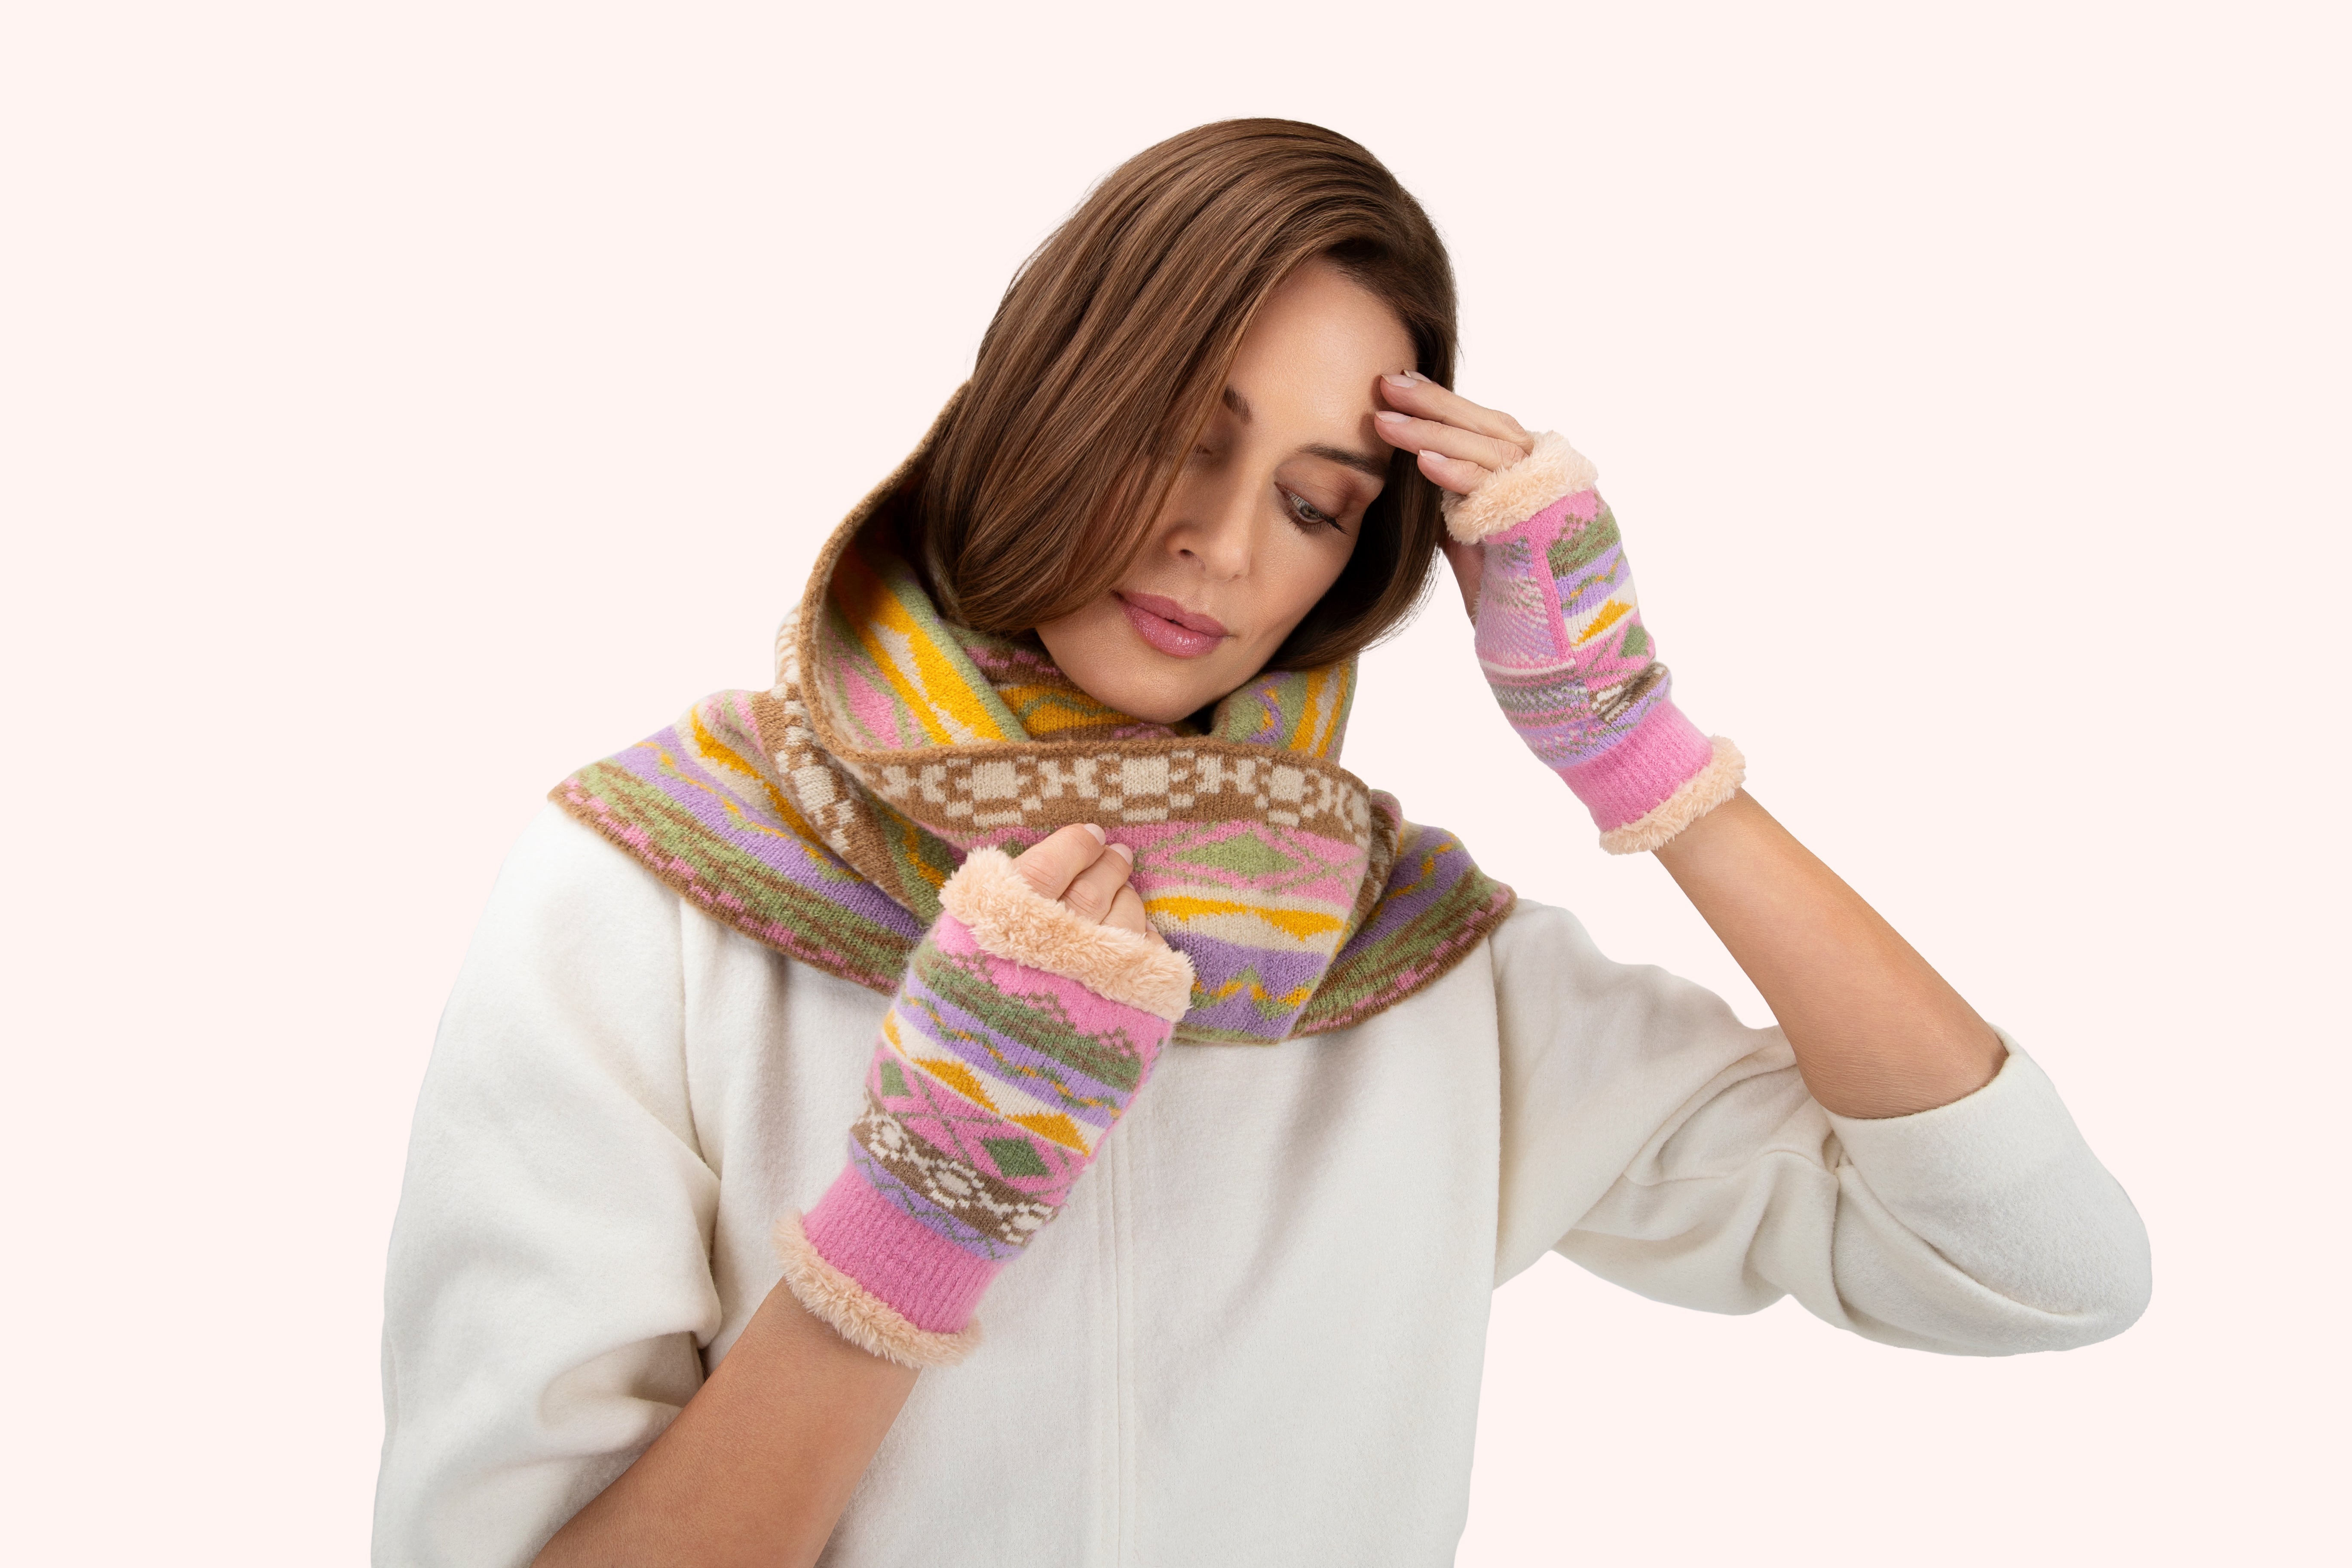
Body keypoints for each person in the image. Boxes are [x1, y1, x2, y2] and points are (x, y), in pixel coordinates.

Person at [372, 119, 2150, 1567]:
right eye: (1176, 439)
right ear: (1039, 399)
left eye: (1313, 502)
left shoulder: (1414, 972)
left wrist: (1646, 760)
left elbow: (2039, 1266)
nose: (1226, 548)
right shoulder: (652, 894)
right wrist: (914, 1223)